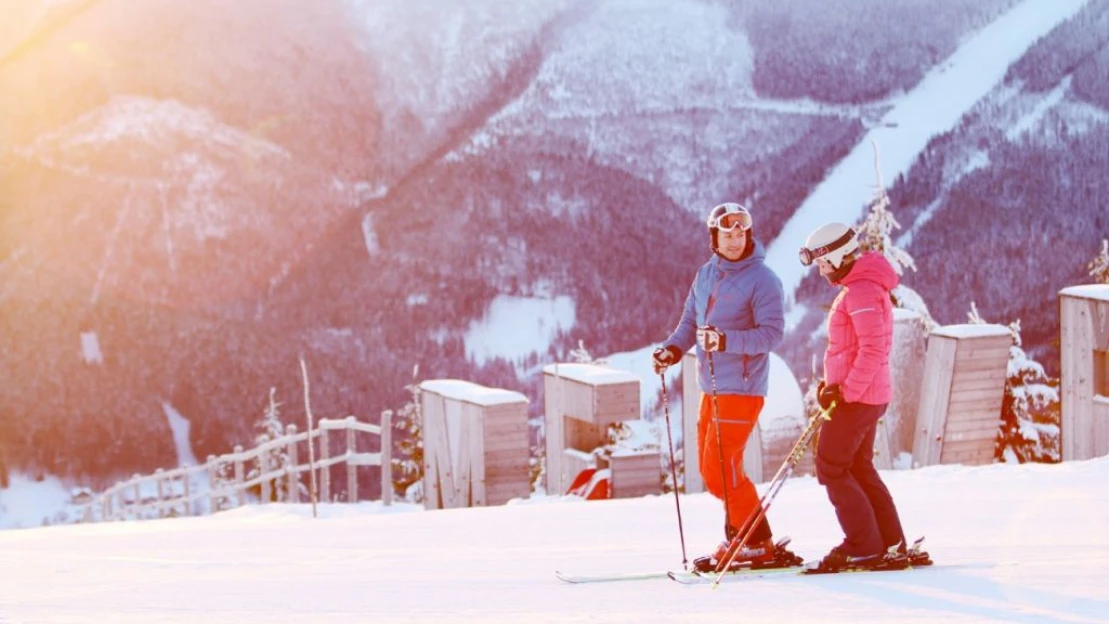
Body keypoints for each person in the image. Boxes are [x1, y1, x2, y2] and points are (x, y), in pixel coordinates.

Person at [652, 203, 798, 572]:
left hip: (743, 388)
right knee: (712, 468)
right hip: (711, 385)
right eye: (726, 233)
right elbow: (690, 322)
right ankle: (743, 538)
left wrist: (724, 341)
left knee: (723, 470)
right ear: (714, 236)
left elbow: (772, 335)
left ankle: (755, 542)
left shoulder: (763, 279)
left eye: (740, 233)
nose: (734, 240)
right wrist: (671, 350)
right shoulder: (706, 274)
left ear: (748, 234)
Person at [799, 222, 928, 572]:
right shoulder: (861, 287)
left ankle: (863, 545)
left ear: (839, 256)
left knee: (831, 466)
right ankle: (888, 542)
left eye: (824, 263)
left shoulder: (861, 292)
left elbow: (873, 350)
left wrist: (844, 393)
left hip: (858, 399)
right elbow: (854, 349)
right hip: (861, 396)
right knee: (857, 466)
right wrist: (833, 387)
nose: (822, 271)